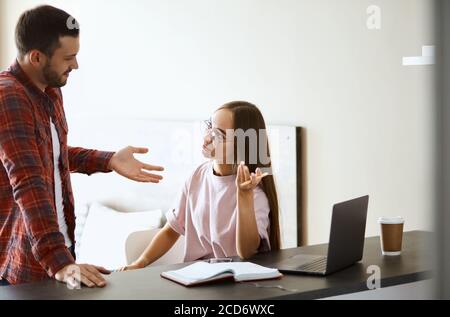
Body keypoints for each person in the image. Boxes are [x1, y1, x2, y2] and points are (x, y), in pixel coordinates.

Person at [0, 5, 164, 287]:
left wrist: (108, 160)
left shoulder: (50, 91)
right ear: (36, 57)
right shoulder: (8, 97)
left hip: (62, 253)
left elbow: (51, 156)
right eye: (69, 57)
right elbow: (28, 181)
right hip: (26, 265)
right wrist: (59, 262)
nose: (75, 65)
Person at [122, 101, 280, 271]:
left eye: (219, 135)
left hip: (237, 283)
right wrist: (140, 262)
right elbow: (171, 230)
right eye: (209, 126)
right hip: (197, 279)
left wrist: (244, 197)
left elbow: (247, 252)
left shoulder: (254, 194)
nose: (207, 138)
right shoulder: (197, 176)